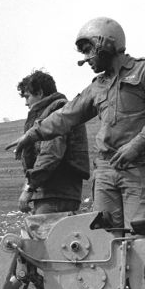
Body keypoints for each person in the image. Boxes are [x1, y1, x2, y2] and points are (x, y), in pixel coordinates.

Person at [8, 17, 145, 229]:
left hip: (138, 168)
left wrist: (137, 145)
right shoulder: (97, 86)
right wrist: (32, 134)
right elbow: (66, 115)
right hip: (105, 170)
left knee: (137, 236)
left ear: (106, 44)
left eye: (89, 51)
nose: (86, 59)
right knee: (103, 239)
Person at [15, 70, 91, 215]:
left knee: (49, 236)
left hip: (55, 194)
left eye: (27, 96)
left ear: (40, 92)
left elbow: (51, 153)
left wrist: (29, 187)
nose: (26, 103)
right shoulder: (57, 111)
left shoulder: (56, 112)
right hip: (56, 193)